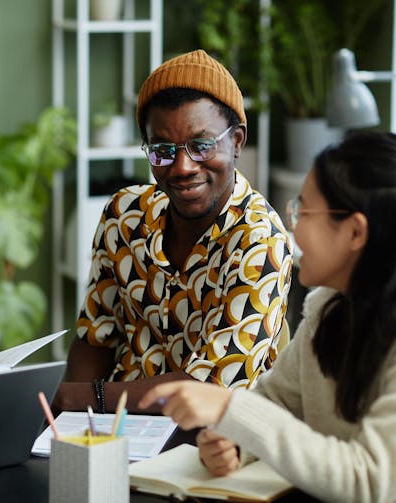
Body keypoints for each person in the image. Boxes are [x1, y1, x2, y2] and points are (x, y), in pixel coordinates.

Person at [141, 131, 396, 502]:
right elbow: (273, 404)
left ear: (355, 231)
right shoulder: (328, 312)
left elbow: (371, 481)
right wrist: (235, 442)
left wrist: (230, 407)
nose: (292, 227)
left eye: (303, 211)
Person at [53, 49, 292, 414]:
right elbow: (94, 337)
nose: (182, 167)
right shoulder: (124, 216)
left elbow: (205, 391)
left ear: (237, 141)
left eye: (201, 146)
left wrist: (91, 398)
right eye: (162, 150)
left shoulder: (260, 240)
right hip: (119, 428)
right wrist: (71, 421)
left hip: (216, 443)